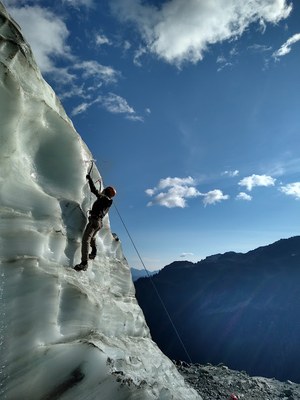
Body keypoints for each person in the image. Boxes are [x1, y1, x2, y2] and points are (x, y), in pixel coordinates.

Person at [74, 174, 116, 271]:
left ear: (107, 192)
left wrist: (89, 179)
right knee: (92, 237)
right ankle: (94, 252)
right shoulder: (106, 202)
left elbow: (94, 190)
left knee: (86, 240)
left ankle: (84, 263)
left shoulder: (103, 199)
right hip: (98, 222)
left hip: (94, 221)